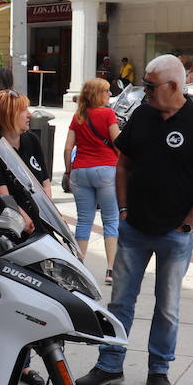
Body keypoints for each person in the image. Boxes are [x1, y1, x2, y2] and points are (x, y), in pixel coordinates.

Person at [77, 55, 193, 385]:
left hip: (175, 235)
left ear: (174, 86)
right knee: (120, 303)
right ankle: (109, 365)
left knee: (167, 306)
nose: (145, 92)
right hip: (135, 230)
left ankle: (159, 370)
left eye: (150, 85)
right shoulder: (142, 115)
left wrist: (189, 224)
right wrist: (124, 209)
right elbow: (122, 165)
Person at [0, 89, 52, 385]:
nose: (29, 114)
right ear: (9, 114)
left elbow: (44, 181)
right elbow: (0, 195)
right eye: (24, 110)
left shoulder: (31, 140)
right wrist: (24, 218)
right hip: (8, 234)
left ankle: (23, 362)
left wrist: (50, 217)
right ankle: (10, 363)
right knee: (12, 300)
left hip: (39, 231)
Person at [62, 78, 120, 282]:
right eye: (106, 91)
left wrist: (69, 172)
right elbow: (118, 142)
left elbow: (68, 148)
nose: (110, 95)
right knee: (111, 220)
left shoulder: (78, 116)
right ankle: (111, 270)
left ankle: (78, 267)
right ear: (97, 94)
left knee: (84, 220)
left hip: (80, 172)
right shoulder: (107, 114)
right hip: (106, 170)